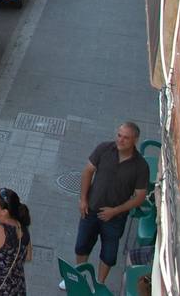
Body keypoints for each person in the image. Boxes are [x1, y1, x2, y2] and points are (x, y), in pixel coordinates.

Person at [67, 122, 150, 289]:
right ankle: (79, 278)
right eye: (119, 135)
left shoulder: (141, 166)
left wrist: (115, 211)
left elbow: (140, 197)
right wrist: (83, 199)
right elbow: (87, 171)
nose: (120, 140)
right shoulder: (104, 149)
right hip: (90, 210)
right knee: (82, 246)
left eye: (126, 138)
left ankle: (99, 285)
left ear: (135, 140)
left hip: (115, 218)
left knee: (109, 255)